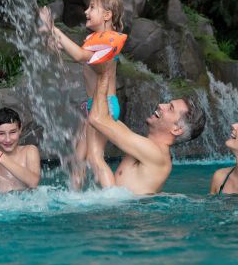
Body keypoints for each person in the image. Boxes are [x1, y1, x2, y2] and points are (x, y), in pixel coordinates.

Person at [39, 0, 127, 190]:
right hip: (93, 105)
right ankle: (74, 197)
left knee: (95, 157)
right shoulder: (95, 39)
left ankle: (113, 198)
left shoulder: (109, 41)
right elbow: (76, 52)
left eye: (92, 7)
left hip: (104, 105)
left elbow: (79, 55)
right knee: (78, 159)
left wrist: (53, 28)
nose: (86, 11)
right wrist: (53, 40)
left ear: (107, 15)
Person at [87, 61, 206, 195]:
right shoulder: (150, 148)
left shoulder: (155, 153)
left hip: (124, 212)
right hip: (119, 207)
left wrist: (103, 75)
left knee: (95, 155)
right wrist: (110, 63)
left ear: (176, 129)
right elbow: (108, 116)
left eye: (170, 108)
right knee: (94, 156)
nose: (161, 105)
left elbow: (97, 119)